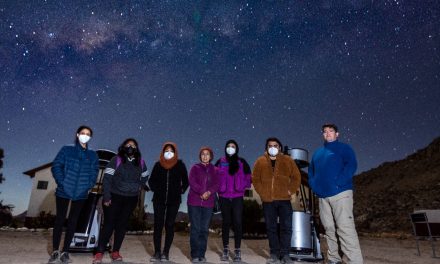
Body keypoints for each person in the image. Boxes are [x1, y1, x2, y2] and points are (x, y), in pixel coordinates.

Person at [308, 124, 363, 264]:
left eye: (331, 131)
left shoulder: (344, 148)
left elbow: (351, 165)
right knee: (329, 229)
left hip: (341, 193)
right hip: (322, 197)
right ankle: (334, 259)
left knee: (345, 227)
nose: (328, 133)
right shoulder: (317, 153)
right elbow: (311, 173)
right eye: (325, 132)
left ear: (337, 134)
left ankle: (354, 261)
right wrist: (315, 187)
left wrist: (339, 182)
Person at [92, 138, 149, 264]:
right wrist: (107, 196)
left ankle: (115, 251)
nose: (130, 147)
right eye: (128, 144)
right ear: (123, 147)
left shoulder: (141, 162)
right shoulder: (116, 160)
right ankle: (99, 252)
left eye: (133, 145)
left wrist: (138, 186)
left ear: (137, 148)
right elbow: (107, 178)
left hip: (131, 199)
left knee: (121, 226)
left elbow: (145, 176)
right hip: (114, 196)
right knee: (108, 224)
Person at [48, 125, 99, 264]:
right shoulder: (67, 149)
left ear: (90, 137)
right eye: (82, 133)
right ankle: (55, 251)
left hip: (81, 192)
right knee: (59, 220)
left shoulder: (92, 154)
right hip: (64, 190)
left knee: (73, 222)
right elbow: (56, 165)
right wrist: (61, 182)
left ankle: (65, 252)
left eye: (88, 134)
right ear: (77, 135)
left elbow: (94, 172)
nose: (85, 135)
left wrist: (88, 186)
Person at [252, 137, 301, 264]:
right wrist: (262, 193)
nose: (272, 147)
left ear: (279, 147)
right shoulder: (260, 161)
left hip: (284, 200)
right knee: (271, 228)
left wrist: (290, 190)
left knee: (286, 227)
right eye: (270, 145)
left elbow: (296, 177)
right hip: (268, 201)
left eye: (275, 145)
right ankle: (274, 254)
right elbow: (255, 179)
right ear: (266, 148)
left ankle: (285, 254)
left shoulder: (287, 160)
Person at [148, 142, 189, 262]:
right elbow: (151, 181)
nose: (169, 152)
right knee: (158, 225)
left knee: (170, 225)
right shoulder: (158, 164)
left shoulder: (180, 165)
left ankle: (166, 252)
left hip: (174, 200)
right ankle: (157, 252)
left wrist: (180, 190)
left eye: (171, 150)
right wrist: (157, 189)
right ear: (163, 152)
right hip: (158, 199)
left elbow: (186, 181)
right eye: (166, 150)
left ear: (175, 152)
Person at [215, 139, 252, 262]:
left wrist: (243, 186)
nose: (230, 148)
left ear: (236, 149)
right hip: (224, 196)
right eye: (228, 146)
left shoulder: (241, 162)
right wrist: (218, 188)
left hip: (237, 196)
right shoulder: (220, 161)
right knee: (226, 222)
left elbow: (248, 176)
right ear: (225, 148)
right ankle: (225, 250)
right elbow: (213, 175)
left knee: (237, 222)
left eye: (233, 146)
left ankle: (237, 250)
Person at [188, 146, 220, 263]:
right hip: (194, 202)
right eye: (203, 154)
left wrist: (209, 192)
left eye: (207, 154)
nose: (205, 156)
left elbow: (217, 184)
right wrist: (201, 192)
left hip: (208, 204)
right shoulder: (194, 168)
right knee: (195, 228)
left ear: (211, 156)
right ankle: (195, 255)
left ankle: (202, 254)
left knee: (204, 229)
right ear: (200, 156)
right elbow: (192, 181)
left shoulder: (215, 170)